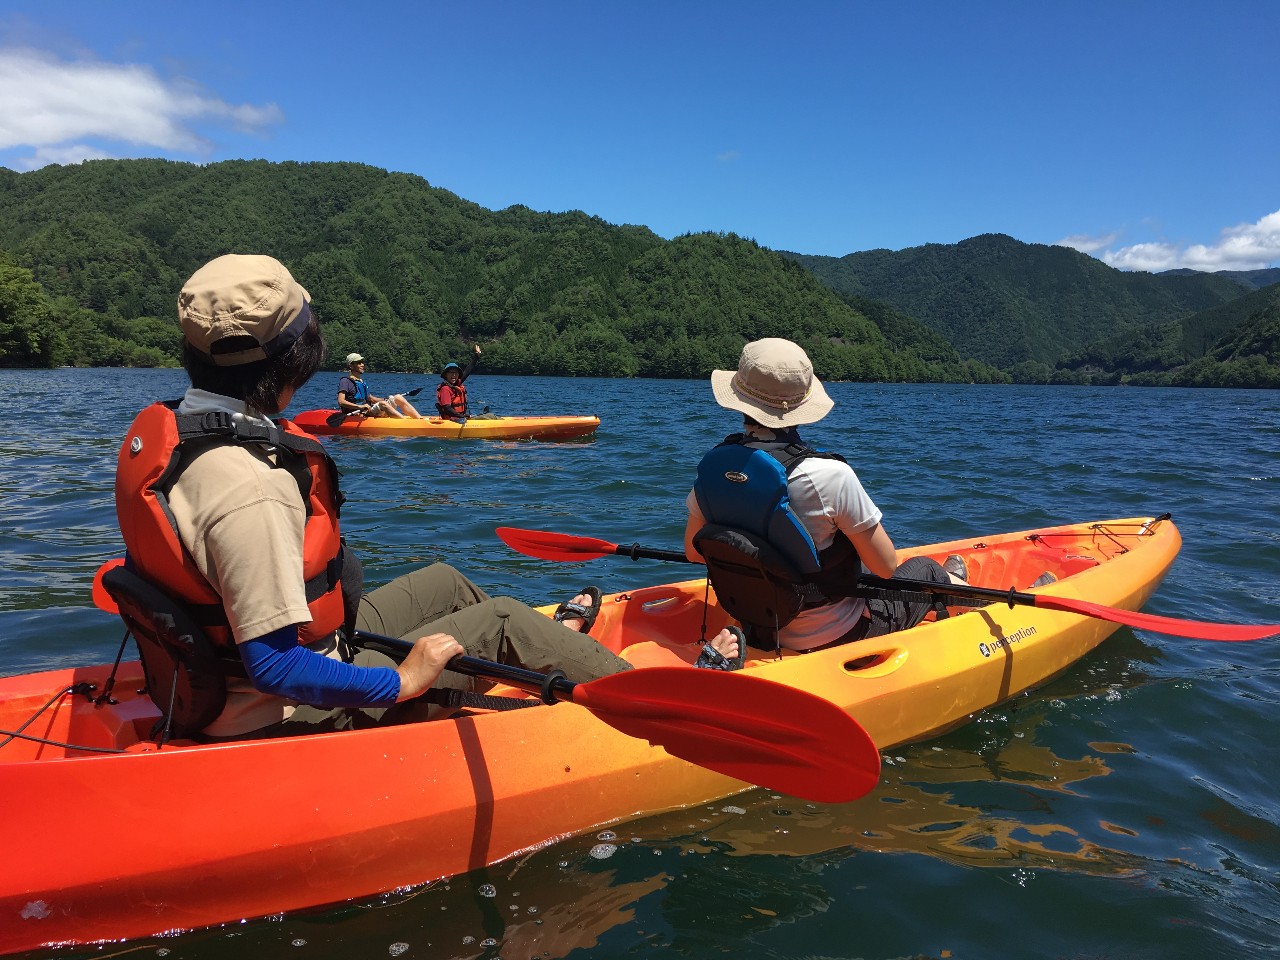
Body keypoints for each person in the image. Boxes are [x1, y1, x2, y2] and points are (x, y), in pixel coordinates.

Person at [114, 254, 638, 742]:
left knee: (446, 581)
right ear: (297, 357)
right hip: (284, 709)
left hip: (275, 656)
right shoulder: (251, 485)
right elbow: (274, 666)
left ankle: (541, 652)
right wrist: (404, 681)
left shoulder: (182, 433)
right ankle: (647, 701)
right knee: (501, 617)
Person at [683, 337, 981, 668]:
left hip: (759, 630)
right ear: (800, 407)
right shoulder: (828, 475)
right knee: (925, 569)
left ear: (741, 402)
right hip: (835, 636)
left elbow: (694, 551)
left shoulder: (716, 468)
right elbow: (885, 567)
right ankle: (976, 601)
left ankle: (955, 583)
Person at [338, 354, 421, 418]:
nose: (362, 364)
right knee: (382, 404)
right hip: (359, 414)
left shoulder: (361, 382)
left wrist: (386, 399)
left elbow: (372, 399)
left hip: (369, 411)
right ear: (351, 366)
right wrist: (360, 406)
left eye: (362, 362)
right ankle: (405, 423)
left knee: (398, 397)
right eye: (359, 363)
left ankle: (420, 419)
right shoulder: (345, 381)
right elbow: (341, 401)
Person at [435, 344, 491, 420]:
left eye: (456, 373)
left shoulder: (456, 384)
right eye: (451, 372)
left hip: (459, 418)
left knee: (489, 416)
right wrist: (461, 416)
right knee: (491, 417)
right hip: (453, 421)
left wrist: (476, 357)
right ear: (446, 374)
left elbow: (467, 371)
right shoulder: (445, 389)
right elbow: (447, 408)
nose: (454, 375)